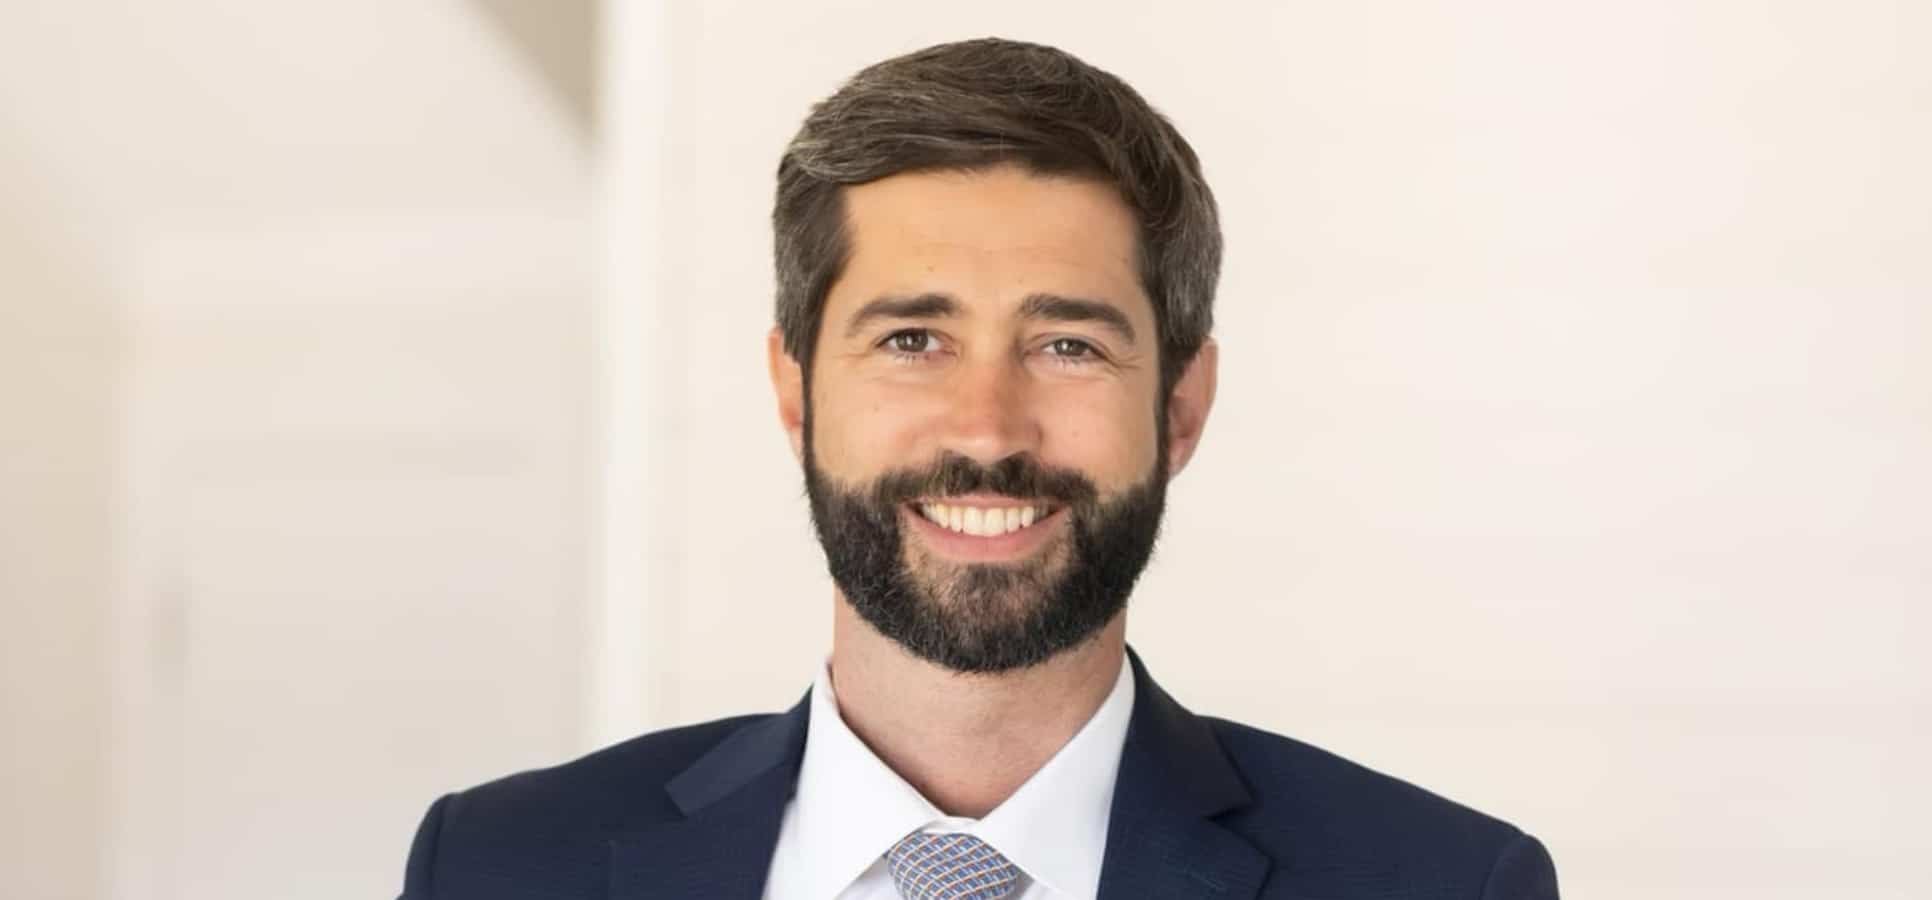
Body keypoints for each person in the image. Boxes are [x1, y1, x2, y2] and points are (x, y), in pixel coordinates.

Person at [398, 37, 1560, 900]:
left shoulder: (1443, 882)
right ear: (796, 393)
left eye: (1068, 346)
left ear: (1184, 404)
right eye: (913, 340)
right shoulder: (499, 866)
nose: (989, 427)